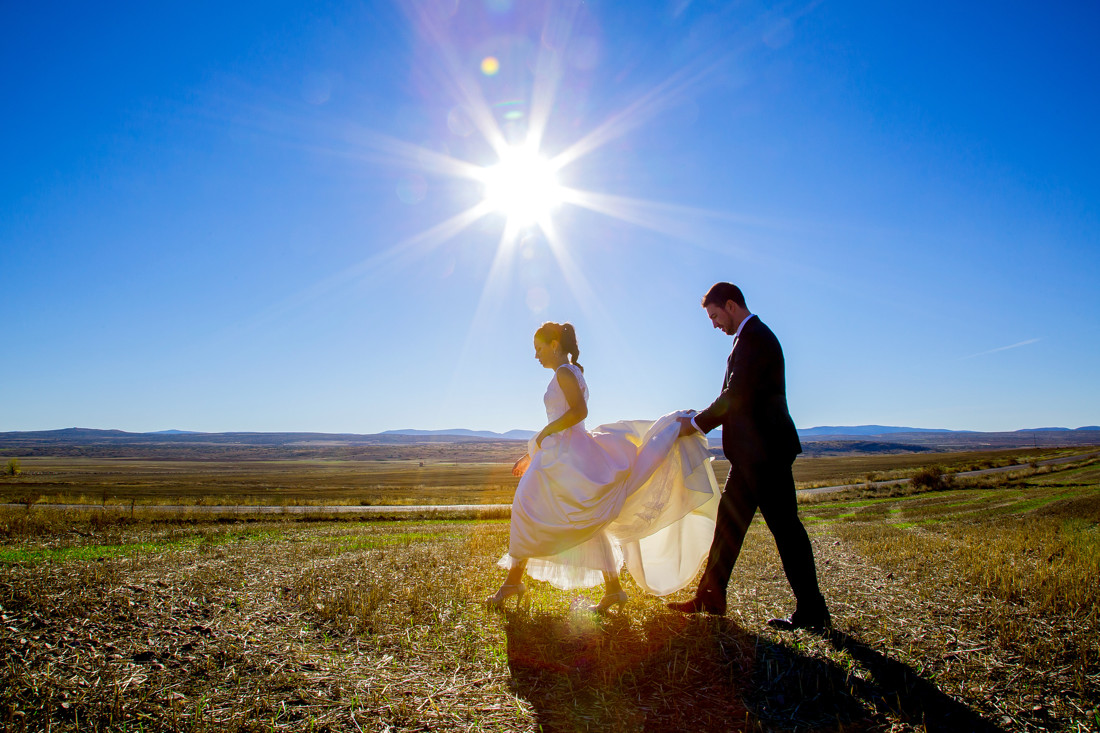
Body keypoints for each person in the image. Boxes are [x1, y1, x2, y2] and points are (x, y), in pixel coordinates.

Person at [486, 321, 720, 613]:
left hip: (566, 454)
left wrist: (544, 434)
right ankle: (613, 589)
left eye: (539, 348)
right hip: (566, 451)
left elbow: (579, 412)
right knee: (587, 518)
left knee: (525, 508)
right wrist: (534, 450)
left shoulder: (563, 372)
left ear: (554, 345)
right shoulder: (571, 371)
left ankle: (513, 582)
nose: (536, 356)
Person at [667, 283, 830, 630]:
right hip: (750, 458)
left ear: (730, 305)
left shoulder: (754, 337)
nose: (713, 324)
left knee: (786, 531)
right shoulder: (748, 338)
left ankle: (813, 611)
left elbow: (736, 394)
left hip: (766, 456)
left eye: (714, 316)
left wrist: (696, 424)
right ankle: (710, 598)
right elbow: (735, 393)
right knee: (728, 527)